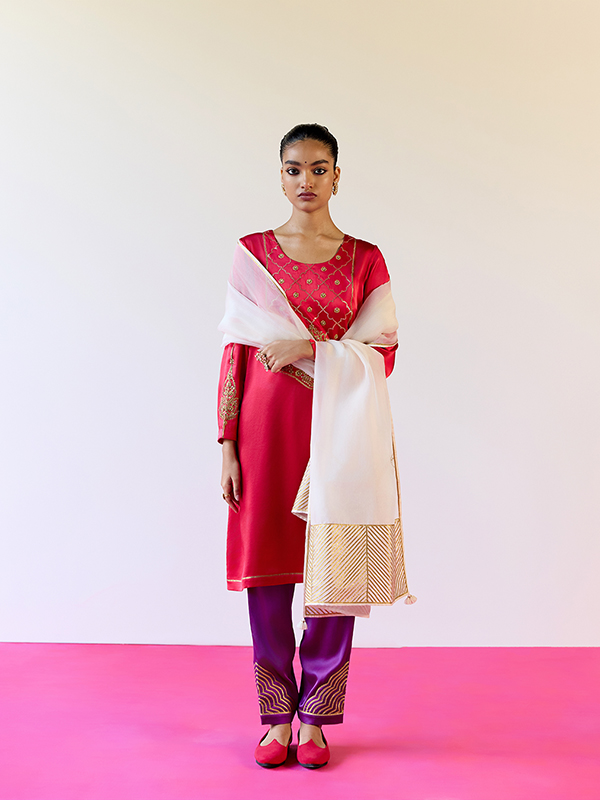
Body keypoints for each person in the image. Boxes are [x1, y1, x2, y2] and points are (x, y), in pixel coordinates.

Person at [217, 123, 414, 769]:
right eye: (294, 169)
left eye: (319, 168)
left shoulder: (365, 259)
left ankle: (316, 720)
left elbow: (382, 351)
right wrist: (227, 443)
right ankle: (276, 718)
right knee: (268, 577)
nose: (306, 180)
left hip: (339, 432)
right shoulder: (251, 253)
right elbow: (235, 353)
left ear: (337, 176)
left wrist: (310, 347)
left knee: (335, 572)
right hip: (264, 432)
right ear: (280, 176)